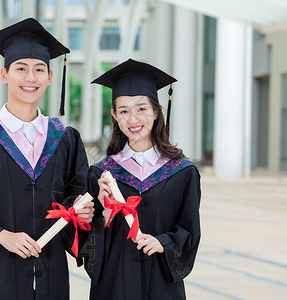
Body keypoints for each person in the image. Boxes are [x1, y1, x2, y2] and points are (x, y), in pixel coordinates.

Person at [0, 18, 94, 300]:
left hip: (49, 278)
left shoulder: (65, 139)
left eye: (39, 70)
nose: (30, 78)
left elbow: (77, 197)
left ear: (49, 76)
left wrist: (81, 213)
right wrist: (2, 235)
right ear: (4, 74)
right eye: (21, 68)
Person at [82, 59, 201, 299]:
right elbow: (87, 242)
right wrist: (105, 213)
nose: (133, 119)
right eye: (124, 111)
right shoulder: (101, 173)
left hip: (161, 285)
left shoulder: (182, 172)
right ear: (114, 115)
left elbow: (189, 231)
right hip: (113, 286)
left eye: (141, 108)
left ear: (156, 111)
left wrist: (164, 243)